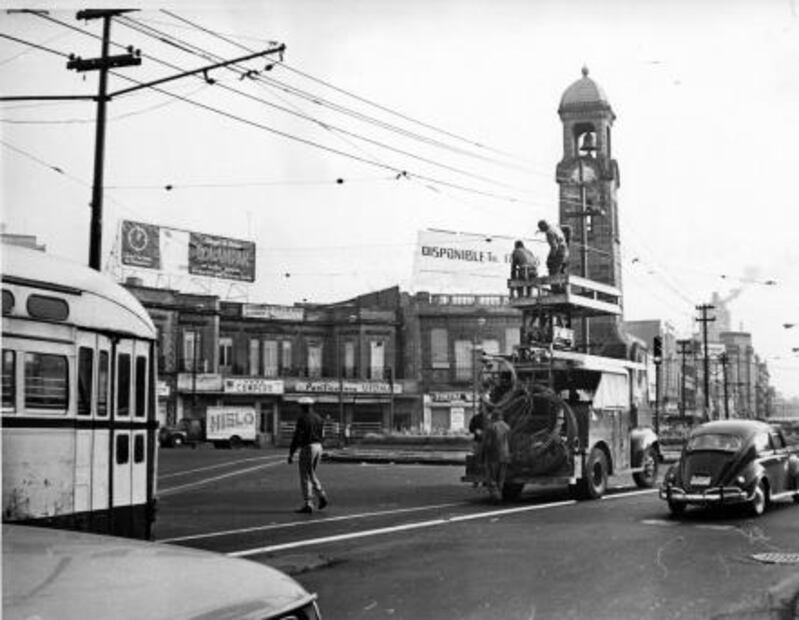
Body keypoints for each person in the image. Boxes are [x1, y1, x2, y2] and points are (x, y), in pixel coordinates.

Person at [288, 397, 329, 513]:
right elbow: (323, 435)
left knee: (305, 475)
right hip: (318, 447)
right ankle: (316, 498)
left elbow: (297, 437)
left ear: (302, 407)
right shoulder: (319, 418)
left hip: (308, 447)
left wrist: (291, 453)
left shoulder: (302, 419)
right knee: (311, 473)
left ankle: (313, 500)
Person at [482, 409, 511, 502]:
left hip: (494, 455)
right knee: (501, 476)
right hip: (505, 454)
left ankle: (495, 495)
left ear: (493, 417)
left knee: (492, 476)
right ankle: (500, 492)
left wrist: (483, 453)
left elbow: (488, 443)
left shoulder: (491, 427)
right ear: (501, 416)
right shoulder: (507, 427)